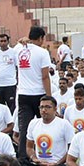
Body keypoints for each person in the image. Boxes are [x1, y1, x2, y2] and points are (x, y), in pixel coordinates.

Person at [13, 27, 53, 157]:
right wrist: (49, 97)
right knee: (46, 124)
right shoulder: (42, 52)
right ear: (41, 38)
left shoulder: (17, 49)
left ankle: (23, 158)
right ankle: (47, 153)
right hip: (39, 94)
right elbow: (45, 76)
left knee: (24, 128)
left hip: (23, 94)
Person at [21, 96, 75, 166]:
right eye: (41, 107)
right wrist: (34, 158)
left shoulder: (64, 124)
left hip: (57, 165)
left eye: (47, 107)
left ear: (55, 109)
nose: (44, 110)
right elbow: (29, 147)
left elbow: (71, 149)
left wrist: (57, 163)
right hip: (39, 165)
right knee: (18, 162)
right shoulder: (33, 123)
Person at [0, 34, 18, 110]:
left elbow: (17, 67)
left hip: (10, 84)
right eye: (1, 41)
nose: (3, 43)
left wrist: (17, 79)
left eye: (5, 41)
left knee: (11, 106)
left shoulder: (13, 52)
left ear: (8, 42)